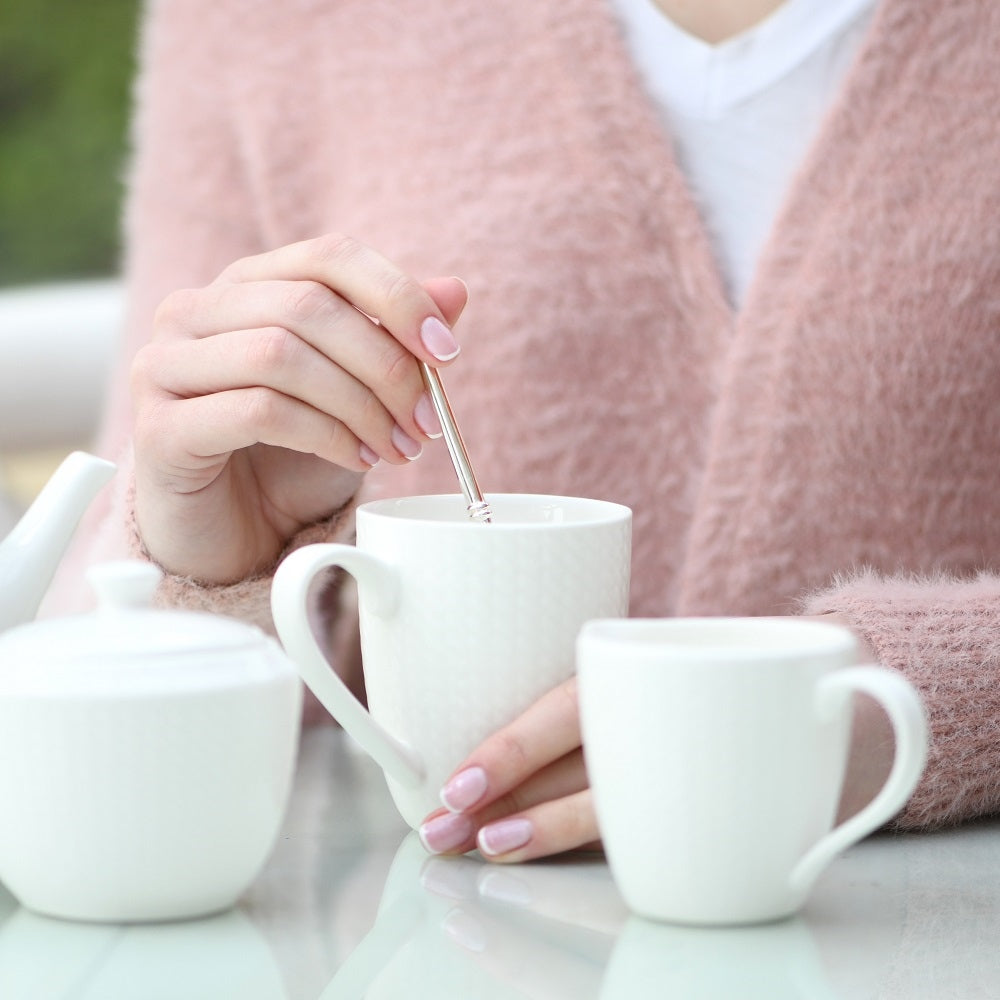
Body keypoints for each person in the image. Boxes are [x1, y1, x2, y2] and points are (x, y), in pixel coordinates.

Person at [63, 0, 1000, 863]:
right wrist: (218, 578)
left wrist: (926, 695)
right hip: (442, 936)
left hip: (920, 934)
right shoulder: (256, 21)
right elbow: (88, 643)